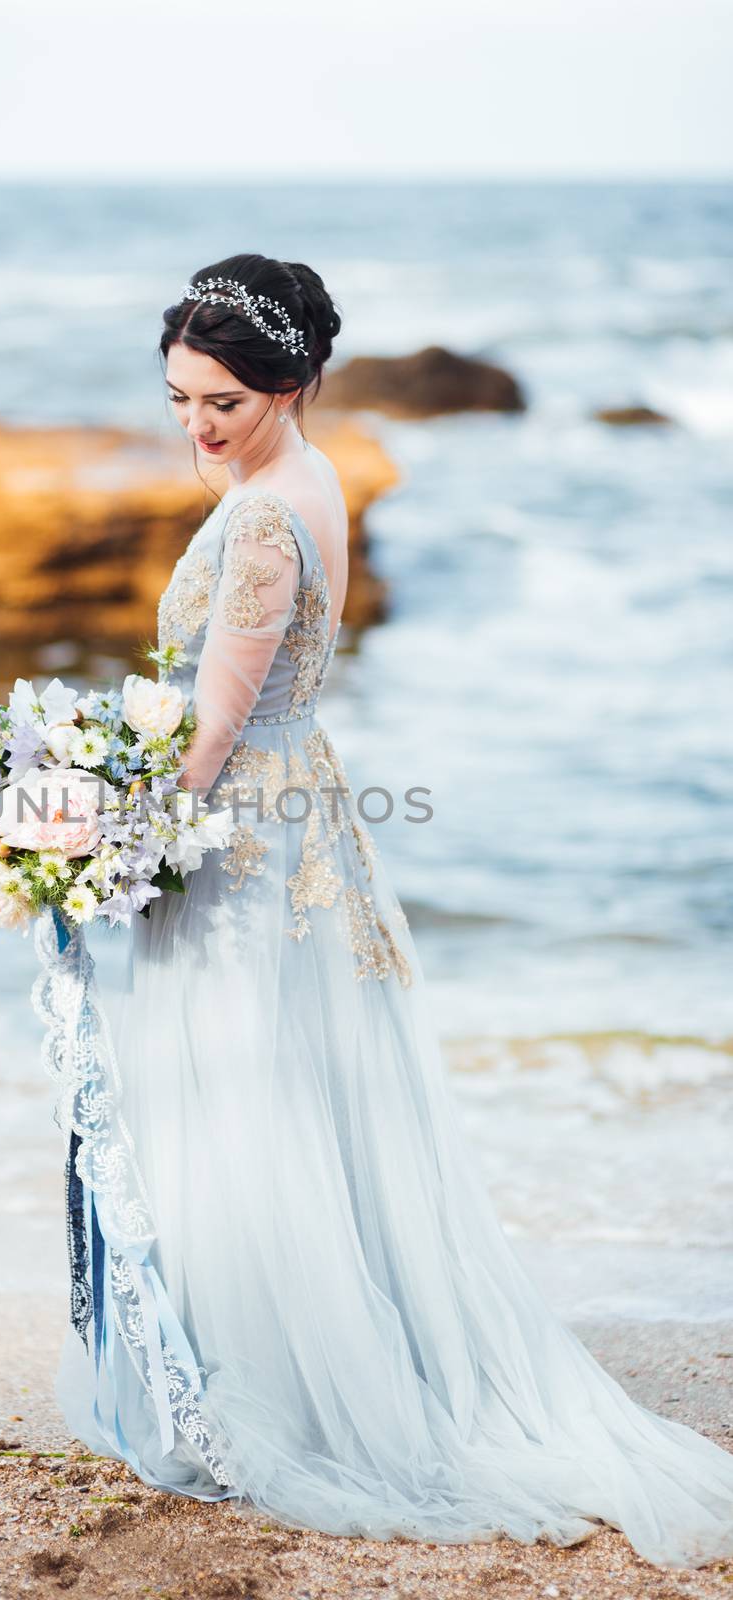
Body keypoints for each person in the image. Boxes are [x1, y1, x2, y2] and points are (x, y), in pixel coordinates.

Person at [53, 253, 733, 1568]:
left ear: (294, 384)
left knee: (248, 1102)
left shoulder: (259, 521)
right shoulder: (299, 476)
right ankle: (288, 1355)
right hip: (303, 814)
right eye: (181, 398)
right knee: (298, 1100)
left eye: (223, 404)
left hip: (247, 835)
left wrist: (107, 837)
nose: (196, 427)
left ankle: (278, 1388)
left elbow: (214, 732)